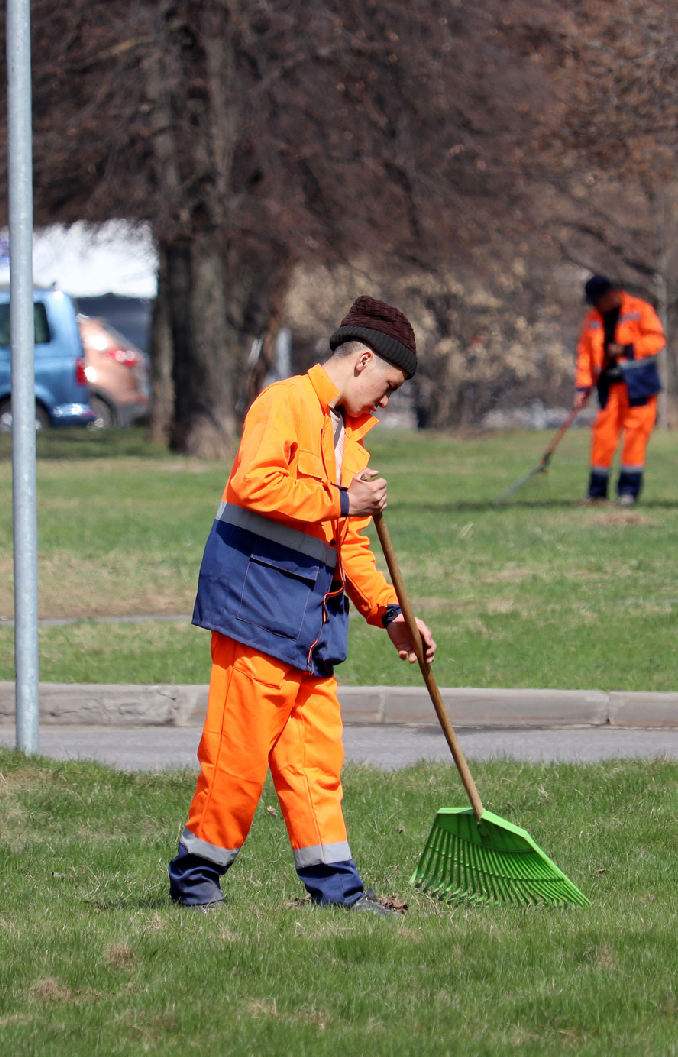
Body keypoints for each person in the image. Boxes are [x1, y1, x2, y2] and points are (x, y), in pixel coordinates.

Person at [169, 296, 437, 913]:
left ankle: (336, 890)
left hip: (312, 626)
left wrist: (391, 615)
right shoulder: (284, 402)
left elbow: (350, 547)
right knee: (236, 756)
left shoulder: (352, 441)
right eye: (389, 386)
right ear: (364, 360)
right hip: (255, 609)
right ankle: (195, 878)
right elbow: (255, 483)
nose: (387, 402)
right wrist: (343, 499)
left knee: (316, 762)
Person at [573, 274, 666, 505]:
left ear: (611, 294)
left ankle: (628, 493)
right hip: (608, 387)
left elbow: (657, 340)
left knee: (635, 439)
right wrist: (582, 387)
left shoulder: (639, 309)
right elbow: (585, 354)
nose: (596, 306)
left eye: (598, 300)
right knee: (602, 438)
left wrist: (627, 349)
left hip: (639, 385)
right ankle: (597, 492)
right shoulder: (592, 318)